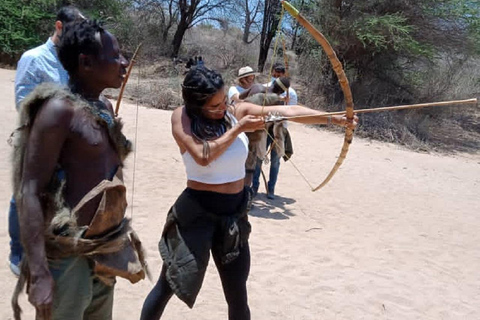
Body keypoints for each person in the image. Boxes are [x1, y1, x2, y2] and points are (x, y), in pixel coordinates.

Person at [140, 66, 357, 320]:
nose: (224, 108)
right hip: (195, 214)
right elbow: (202, 155)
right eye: (215, 105)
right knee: (168, 285)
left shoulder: (236, 112)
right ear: (196, 105)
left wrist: (334, 118)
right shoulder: (182, 117)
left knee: (237, 295)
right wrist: (238, 129)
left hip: (233, 214)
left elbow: (287, 111)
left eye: (224, 100)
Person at [11, 20, 147, 319]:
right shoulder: (58, 111)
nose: (124, 63)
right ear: (85, 62)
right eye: (115, 56)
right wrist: (39, 272)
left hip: (103, 249)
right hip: (65, 258)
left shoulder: (104, 108)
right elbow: (29, 190)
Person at [8, 5, 86, 277]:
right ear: (59, 27)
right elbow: (23, 102)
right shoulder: (34, 58)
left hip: (67, 144)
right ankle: (18, 254)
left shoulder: (73, 60)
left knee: (59, 194)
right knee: (25, 194)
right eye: (73, 32)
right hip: (36, 140)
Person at [253, 63, 298, 199]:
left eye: (279, 76)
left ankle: (271, 188)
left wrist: (285, 104)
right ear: (271, 73)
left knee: (276, 160)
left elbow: (291, 112)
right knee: (258, 157)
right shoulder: (266, 88)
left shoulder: (291, 93)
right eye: (274, 75)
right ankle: (254, 187)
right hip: (265, 128)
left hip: (280, 129)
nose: (276, 77)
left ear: (284, 76)